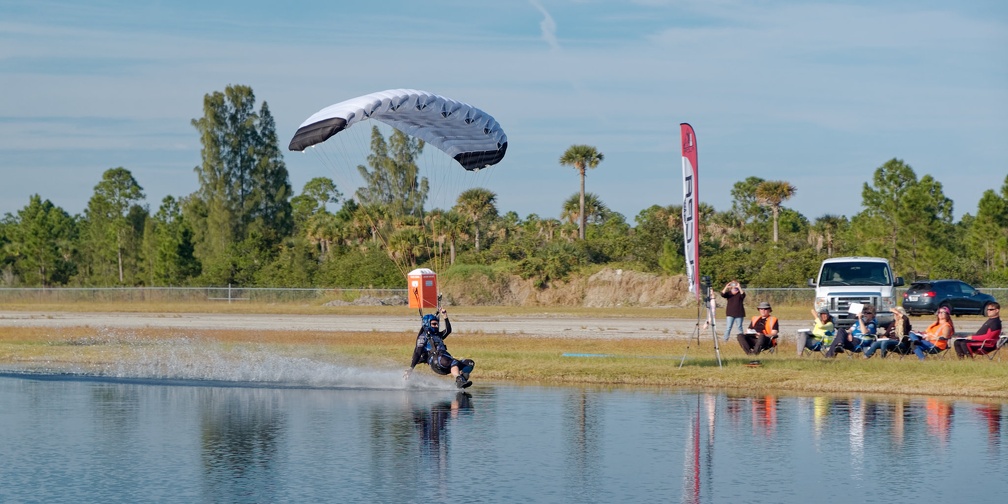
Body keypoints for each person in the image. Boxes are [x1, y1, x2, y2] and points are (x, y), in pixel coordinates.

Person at [404, 308, 475, 388]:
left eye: (437, 324)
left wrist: (445, 315)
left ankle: (460, 382)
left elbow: (448, 330)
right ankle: (459, 380)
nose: (437, 326)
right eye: (434, 324)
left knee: (469, 363)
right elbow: (417, 352)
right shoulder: (423, 337)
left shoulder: (438, 335)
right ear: (427, 324)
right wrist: (411, 368)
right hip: (436, 361)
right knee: (453, 362)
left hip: (445, 360)